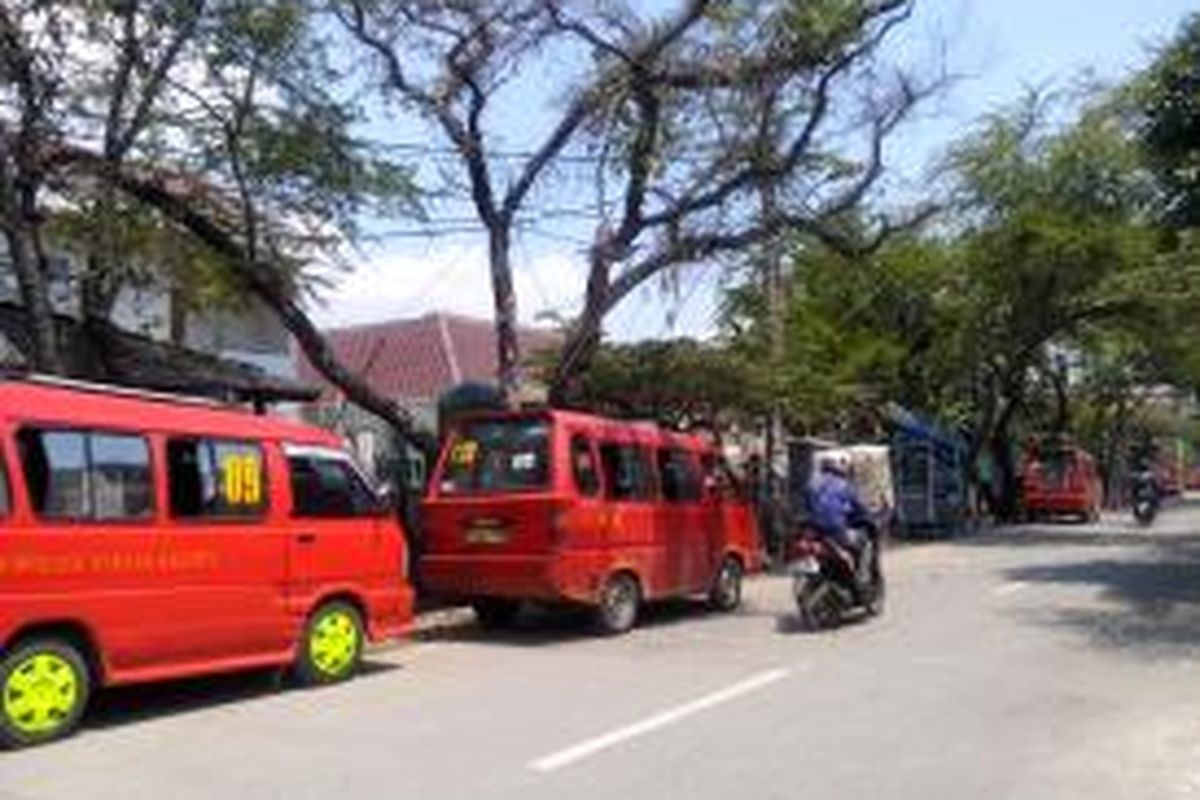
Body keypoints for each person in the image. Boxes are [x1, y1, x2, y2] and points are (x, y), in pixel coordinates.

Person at [806, 455, 874, 570]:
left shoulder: (811, 484)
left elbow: (808, 506)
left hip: (814, 528)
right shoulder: (843, 485)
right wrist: (867, 514)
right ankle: (858, 573)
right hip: (835, 529)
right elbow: (858, 506)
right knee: (861, 541)